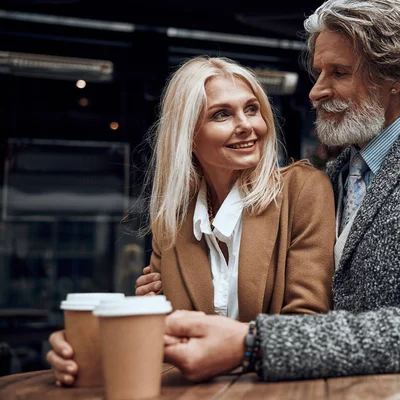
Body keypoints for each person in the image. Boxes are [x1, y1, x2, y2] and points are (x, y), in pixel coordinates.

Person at [139, 1, 400, 398]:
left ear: (394, 77)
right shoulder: (322, 181)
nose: (317, 91)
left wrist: (252, 343)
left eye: (339, 72)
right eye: (319, 72)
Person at [46, 56, 336, 387]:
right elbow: (163, 342)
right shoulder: (171, 219)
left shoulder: (304, 190)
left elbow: (309, 326)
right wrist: (84, 348)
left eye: (252, 109)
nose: (246, 125)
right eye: (221, 114)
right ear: (188, 133)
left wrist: (230, 342)